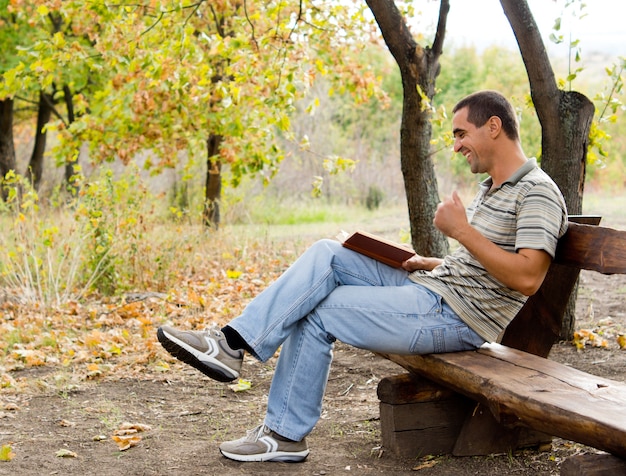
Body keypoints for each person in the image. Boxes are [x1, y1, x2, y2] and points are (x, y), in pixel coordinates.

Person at [157, 90, 568, 463]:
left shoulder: (537, 192)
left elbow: (528, 277)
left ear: (493, 126)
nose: (456, 145)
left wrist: (461, 231)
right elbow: (482, 267)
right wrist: (429, 261)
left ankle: (283, 434)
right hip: (436, 289)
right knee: (328, 254)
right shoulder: (492, 188)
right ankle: (230, 343)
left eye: (461, 133)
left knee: (318, 310)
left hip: (455, 316)